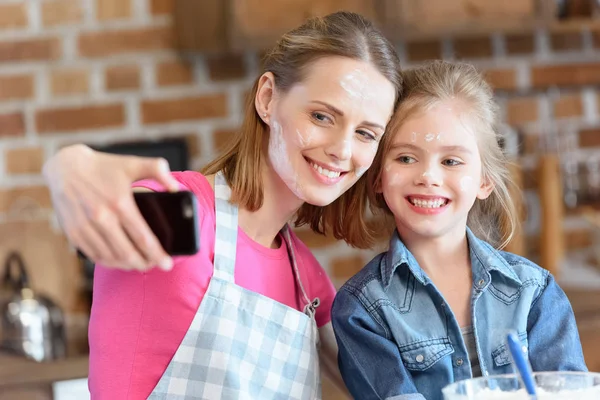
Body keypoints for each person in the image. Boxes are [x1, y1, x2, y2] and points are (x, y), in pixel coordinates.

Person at [42, 11, 402, 399]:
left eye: (366, 134)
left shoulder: (308, 283)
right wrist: (68, 165)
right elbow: (97, 197)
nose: (342, 150)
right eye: (321, 116)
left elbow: (387, 388)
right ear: (267, 98)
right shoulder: (184, 220)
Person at [331, 60, 587, 400]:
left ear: (485, 180)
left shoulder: (536, 292)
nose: (428, 177)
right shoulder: (361, 310)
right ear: (378, 175)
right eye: (406, 158)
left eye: (451, 161)